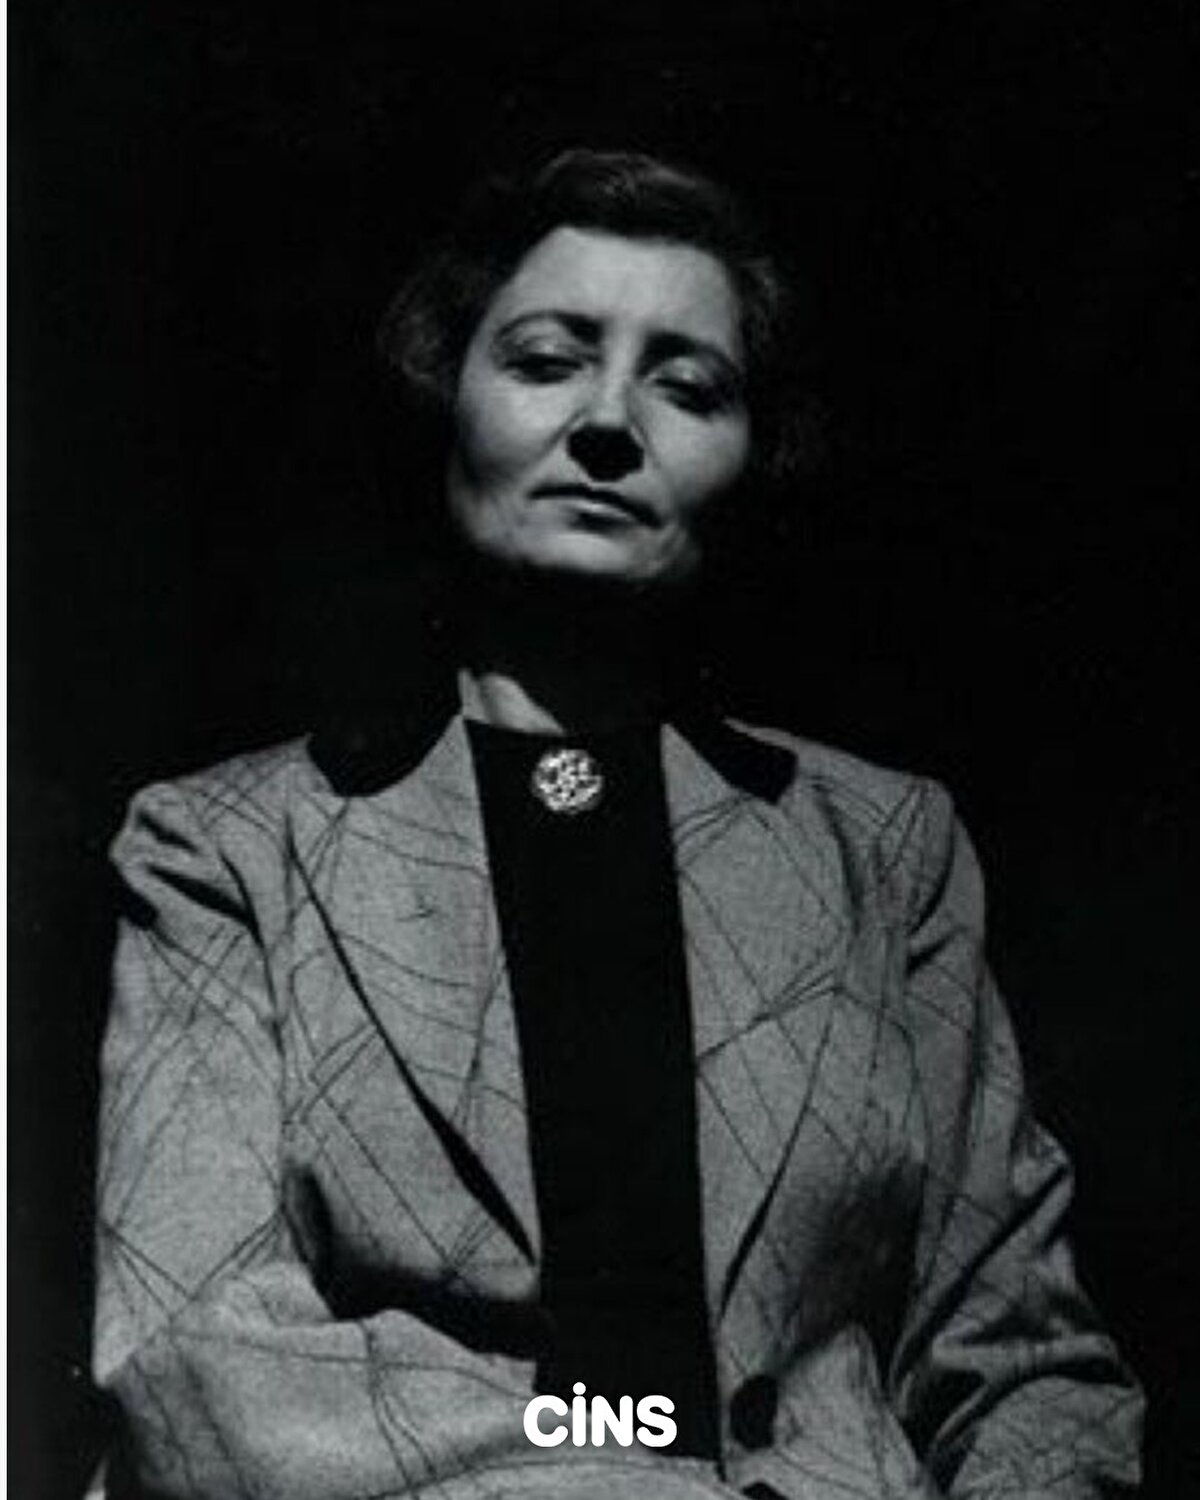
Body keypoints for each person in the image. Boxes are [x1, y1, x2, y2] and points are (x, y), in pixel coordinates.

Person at [93, 149, 1143, 1500]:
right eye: (548, 362)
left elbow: (1025, 1367)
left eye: (686, 386)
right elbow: (199, 1353)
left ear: (754, 454)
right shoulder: (229, 847)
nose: (608, 422)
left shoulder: (886, 849)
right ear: (446, 397)